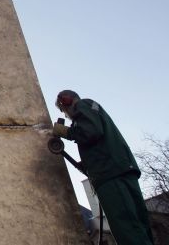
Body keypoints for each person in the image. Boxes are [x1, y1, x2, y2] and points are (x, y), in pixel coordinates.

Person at [52, 90, 154, 245]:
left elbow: (91, 131)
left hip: (109, 174)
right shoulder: (93, 109)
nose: (66, 115)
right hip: (121, 169)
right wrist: (85, 164)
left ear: (65, 101)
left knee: (126, 227)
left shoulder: (82, 105)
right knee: (138, 224)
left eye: (62, 110)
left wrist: (66, 131)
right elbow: (99, 140)